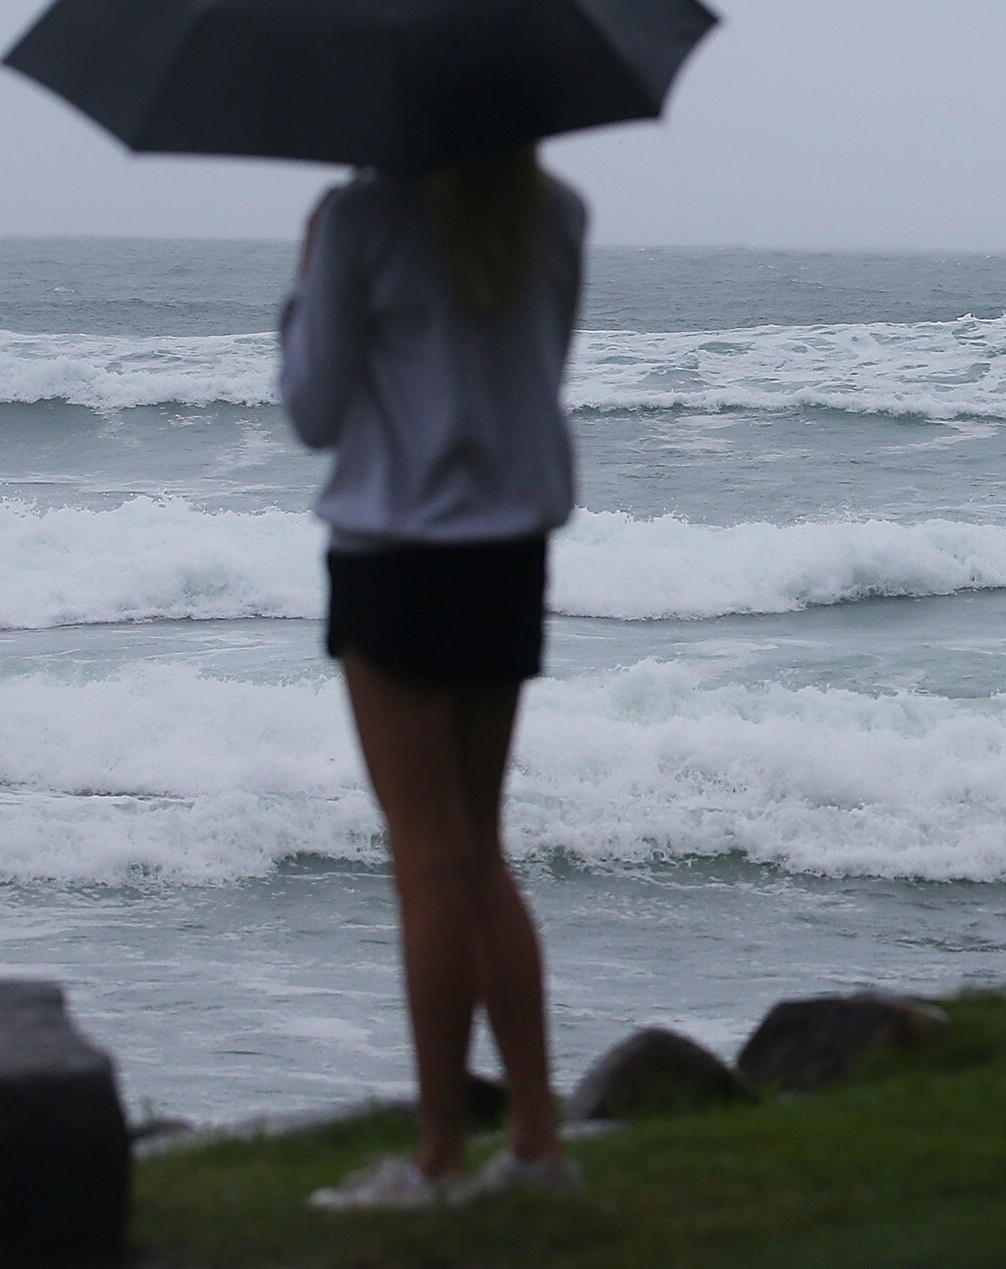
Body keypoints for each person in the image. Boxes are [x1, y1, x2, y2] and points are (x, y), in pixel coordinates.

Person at [278, 144, 588, 1212]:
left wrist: (307, 272)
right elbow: (534, 377)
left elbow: (313, 410)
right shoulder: (554, 212)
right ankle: (537, 1141)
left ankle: (440, 1154)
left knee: (427, 860)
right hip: (507, 554)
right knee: (479, 848)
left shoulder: (362, 219)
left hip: (394, 556)